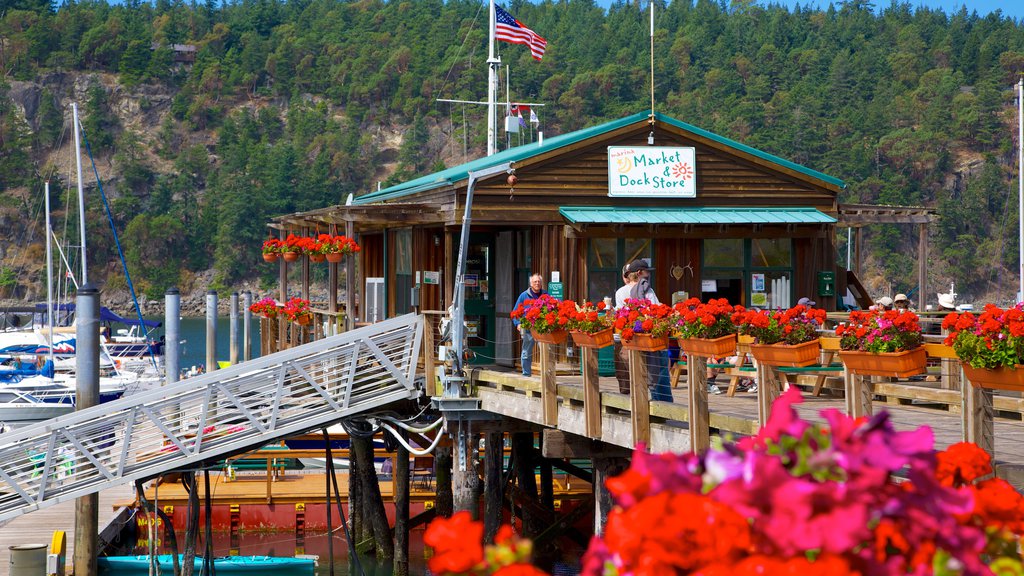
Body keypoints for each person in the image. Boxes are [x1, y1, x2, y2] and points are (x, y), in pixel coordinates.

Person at [513, 273, 545, 377]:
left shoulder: (545, 295)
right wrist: (517, 323)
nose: (537, 283)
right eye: (535, 282)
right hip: (528, 329)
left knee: (546, 351)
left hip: (542, 328)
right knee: (526, 352)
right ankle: (526, 374)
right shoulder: (523, 295)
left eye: (539, 282)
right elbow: (515, 312)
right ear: (531, 283)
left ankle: (546, 375)